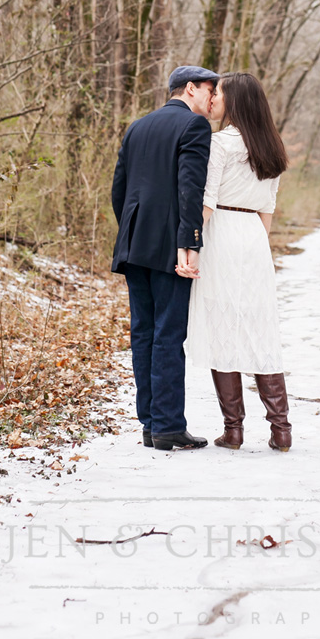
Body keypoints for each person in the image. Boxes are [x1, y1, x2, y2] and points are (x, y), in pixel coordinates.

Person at [109, 64, 218, 451]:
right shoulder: (194, 127)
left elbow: (118, 190)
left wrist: (131, 231)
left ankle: (151, 424)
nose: (212, 99)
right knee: (169, 334)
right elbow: (190, 189)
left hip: (134, 243)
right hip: (171, 245)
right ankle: (169, 426)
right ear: (190, 89)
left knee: (144, 332)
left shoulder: (138, 126)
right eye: (209, 90)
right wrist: (189, 243)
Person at [185, 71, 293, 452]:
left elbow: (207, 204)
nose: (214, 99)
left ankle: (234, 430)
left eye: (221, 93)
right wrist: (256, 248)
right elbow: (268, 209)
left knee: (222, 328)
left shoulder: (222, 144)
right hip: (254, 239)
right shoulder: (273, 148)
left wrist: (189, 246)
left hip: (224, 235)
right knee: (260, 330)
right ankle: (281, 429)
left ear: (236, 102)